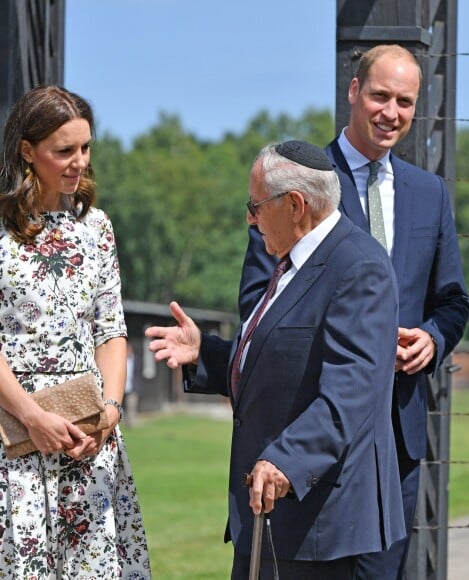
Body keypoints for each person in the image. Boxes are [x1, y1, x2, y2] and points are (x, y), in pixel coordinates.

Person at [238, 44, 469, 579]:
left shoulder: (430, 193)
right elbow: (260, 304)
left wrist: (433, 338)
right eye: (380, 96)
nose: (392, 112)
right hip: (311, 431)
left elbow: (453, 301)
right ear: (353, 91)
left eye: (405, 101)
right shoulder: (297, 181)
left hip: (397, 435)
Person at [146, 140, 405, 579]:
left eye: (256, 205)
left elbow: (353, 390)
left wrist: (287, 458)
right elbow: (286, 363)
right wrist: (205, 353)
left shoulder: (359, 267)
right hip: (269, 517)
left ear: (296, 205)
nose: (250, 217)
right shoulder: (290, 262)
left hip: (318, 528)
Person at [0, 86, 151, 578]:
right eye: (64, 150)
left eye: (85, 148)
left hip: (88, 442)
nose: (79, 162)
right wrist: (32, 416)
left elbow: (111, 329)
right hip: (12, 436)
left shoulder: (97, 227)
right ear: (28, 151)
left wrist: (108, 413)